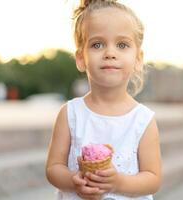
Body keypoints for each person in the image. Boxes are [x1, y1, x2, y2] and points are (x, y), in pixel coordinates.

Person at [45, 0, 162, 200]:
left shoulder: (142, 120)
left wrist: (119, 183)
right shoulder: (70, 114)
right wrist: (74, 179)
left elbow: (153, 178)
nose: (110, 53)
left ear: (138, 59)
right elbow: (53, 168)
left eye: (122, 45)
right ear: (81, 58)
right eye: (97, 44)